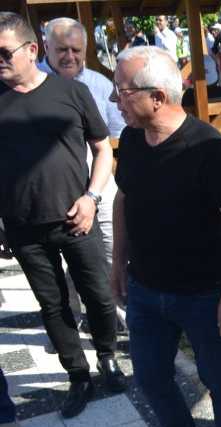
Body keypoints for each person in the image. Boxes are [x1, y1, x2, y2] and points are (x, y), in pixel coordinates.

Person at [111, 45, 221, 427]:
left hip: (204, 293)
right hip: (146, 290)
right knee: (151, 377)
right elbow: (123, 199)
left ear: (156, 96)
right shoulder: (133, 139)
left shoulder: (207, 148)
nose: (116, 100)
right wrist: (118, 262)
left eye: (122, 91)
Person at [0, 12, 125, 418]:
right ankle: (78, 375)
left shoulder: (72, 93)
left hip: (78, 219)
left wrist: (91, 197)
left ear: (31, 50)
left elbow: (103, 148)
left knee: (100, 298)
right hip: (23, 228)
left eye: (4, 53)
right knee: (52, 306)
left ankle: (107, 355)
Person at [40, 17, 127, 328]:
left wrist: (109, 183)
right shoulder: (29, 82)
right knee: (59, 260)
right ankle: (71, 319)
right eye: (62, 49)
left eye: (77, 50)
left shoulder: (99, 84)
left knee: (112, 249)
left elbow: (117, 138)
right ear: (45, 46)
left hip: (99, 181)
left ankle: (113, 315)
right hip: (50, 187)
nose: (70, 56)